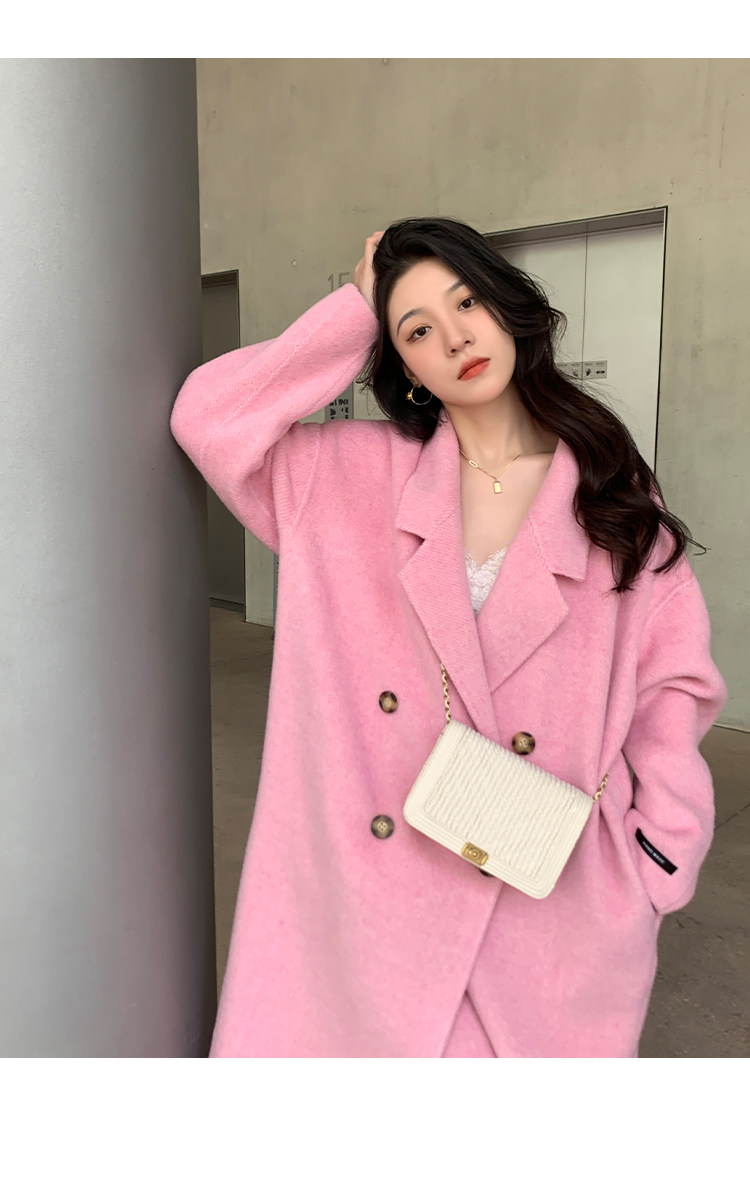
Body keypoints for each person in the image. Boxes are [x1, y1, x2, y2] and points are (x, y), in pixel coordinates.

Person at [170, 216, 727, 1058]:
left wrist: (656, 859)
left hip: (553, 903)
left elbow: (672, 687)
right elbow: (210, 418)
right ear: (401, 365)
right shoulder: (343, 475)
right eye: (417, 329)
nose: (455, 337)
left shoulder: (610, 494)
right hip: (361, 920)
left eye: (466, 303)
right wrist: (353, 309)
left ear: (506, 307)